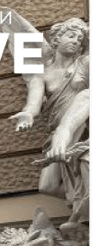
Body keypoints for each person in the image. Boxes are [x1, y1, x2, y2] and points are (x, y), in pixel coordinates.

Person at [10, 17, 90, 228]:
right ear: (56, 39)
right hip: (56, 133)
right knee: (48, 185)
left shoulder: (85, 63)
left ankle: (83, 206)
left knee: (83, 164)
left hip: (82, 127)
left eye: (80, 39)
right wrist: (27, 115)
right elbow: (33, 103)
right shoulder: (41, 73)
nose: (76, 41)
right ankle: (82, 200)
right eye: (71, 36)